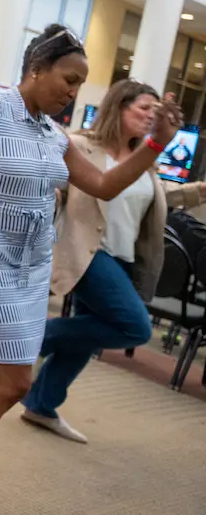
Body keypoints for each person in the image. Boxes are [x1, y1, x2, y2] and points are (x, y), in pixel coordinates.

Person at [0, 25, 180, 515]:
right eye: (69, 80)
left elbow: (105, 186)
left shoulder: (54, 135)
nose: (74, 92)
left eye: (79, 84)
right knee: (14, 383)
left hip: (33, 264)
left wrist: (155, 144)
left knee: (1, 376)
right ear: (36, 69)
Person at [22, 80, 205, 442]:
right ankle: (33, 338)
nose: (151, 117)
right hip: (88, 253)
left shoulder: (143, 160)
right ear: (119, 106)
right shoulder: (80, 146)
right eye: (144, 108)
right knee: (136, 327)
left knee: (87, 336)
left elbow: (160, 195)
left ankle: (41, 405)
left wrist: (199, 190)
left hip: (123, 258)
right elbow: (53, 184)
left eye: (156, 111)